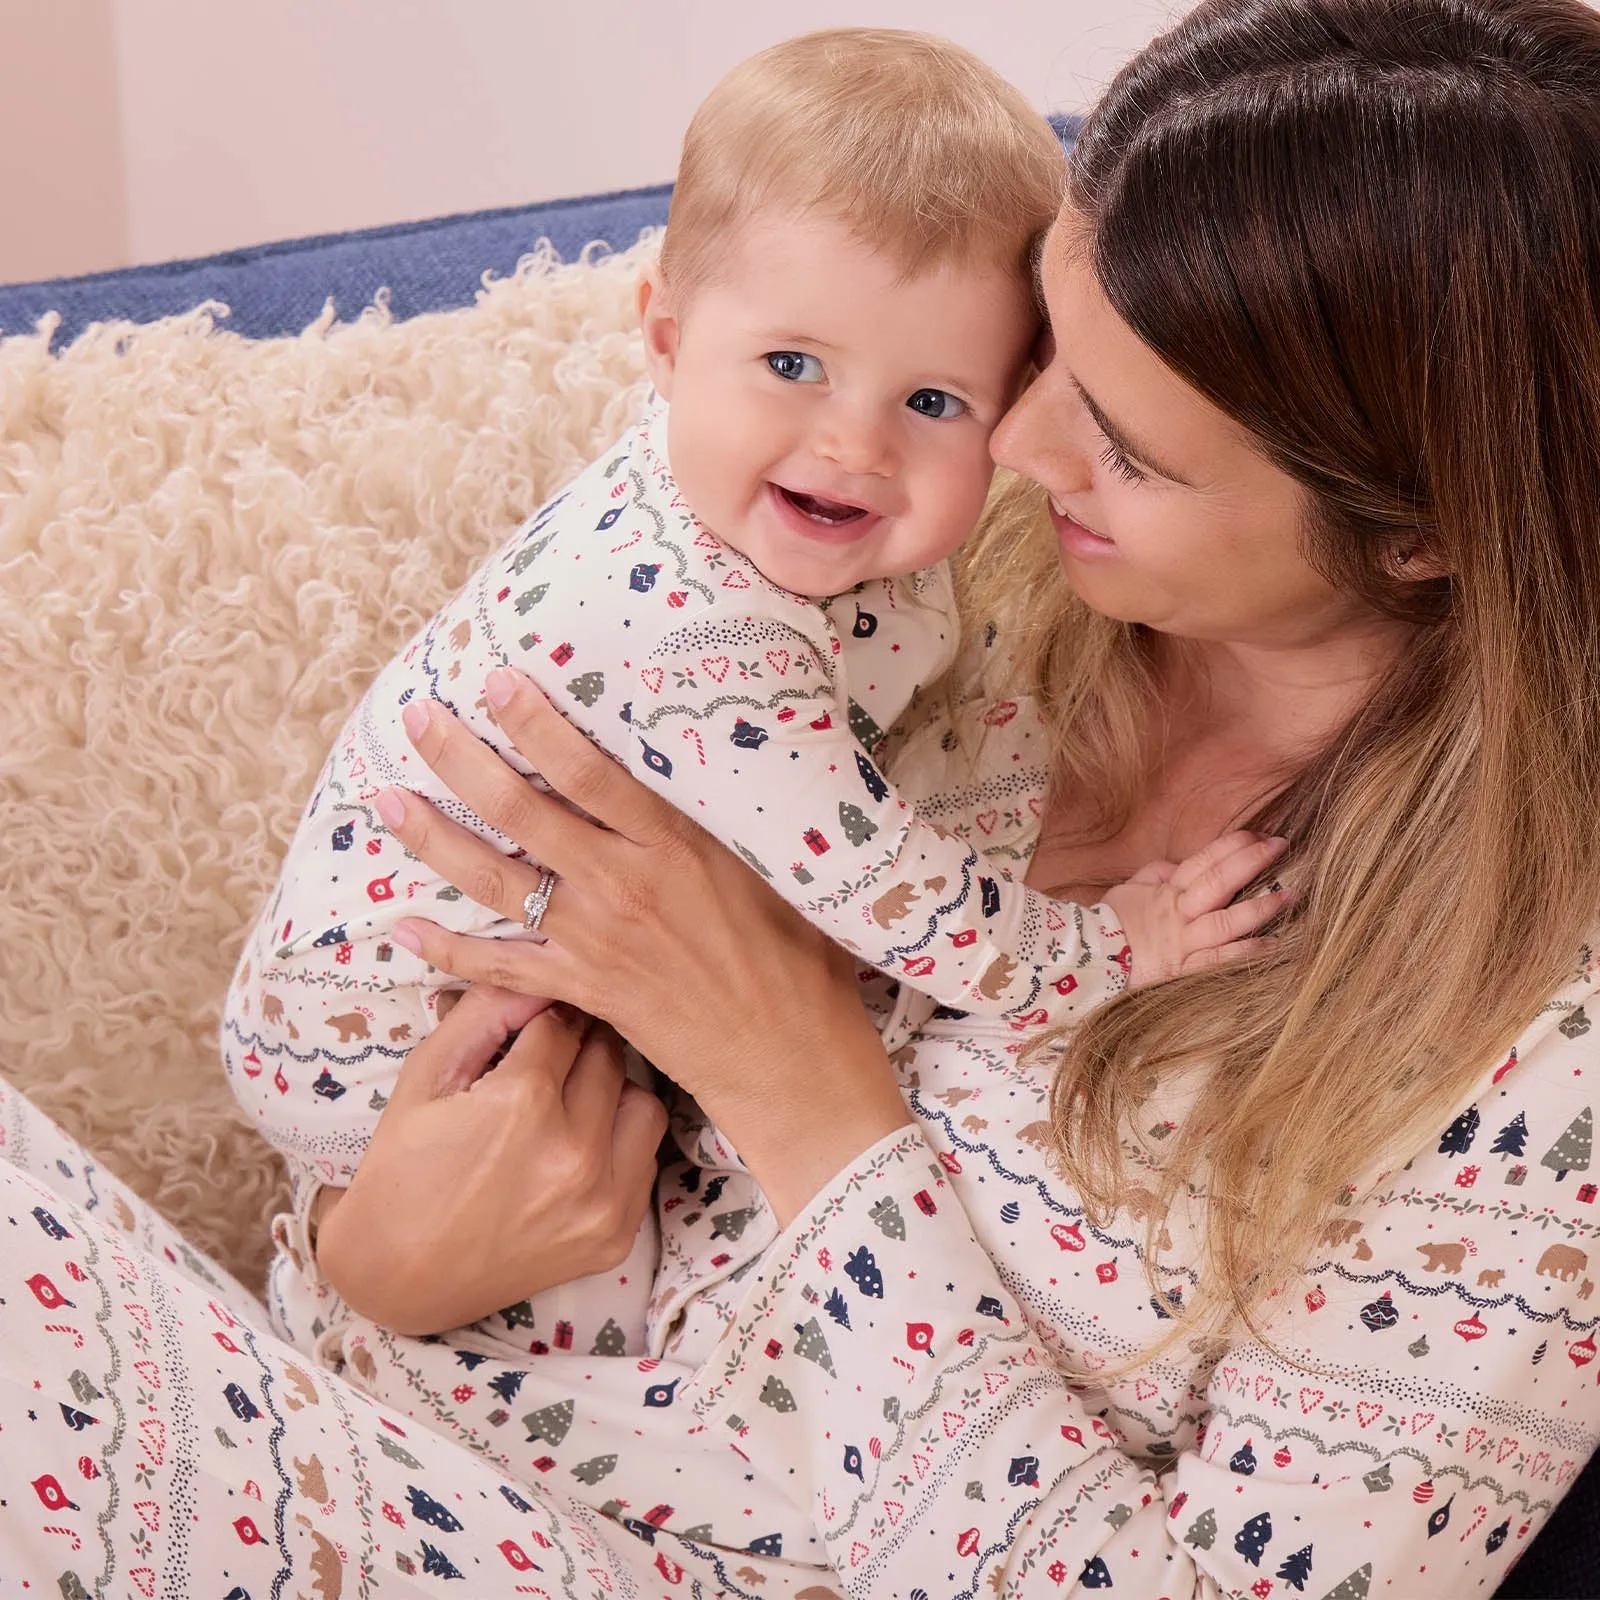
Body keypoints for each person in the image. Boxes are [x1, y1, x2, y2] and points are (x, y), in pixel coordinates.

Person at [3, 0, 1599, 1593]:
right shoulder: (890, 559)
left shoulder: (1542, 1055)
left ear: (1423, 533)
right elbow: (440, 1026)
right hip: (348, 1421)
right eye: (1039, 352)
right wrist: (376, 1265)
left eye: (1121, 440)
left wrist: (798, 1085)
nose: (1015, 444)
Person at [222, 26, 1283, 1370]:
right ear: (662, 332)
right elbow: (894, 894)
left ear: (1013, 408)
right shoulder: (693, 629)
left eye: (935, 398)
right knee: (577, 1272)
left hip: (531, 991)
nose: (853, 443)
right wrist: (1116, 947)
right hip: (388, 1034)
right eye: (793, 367)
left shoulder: (837, 546)